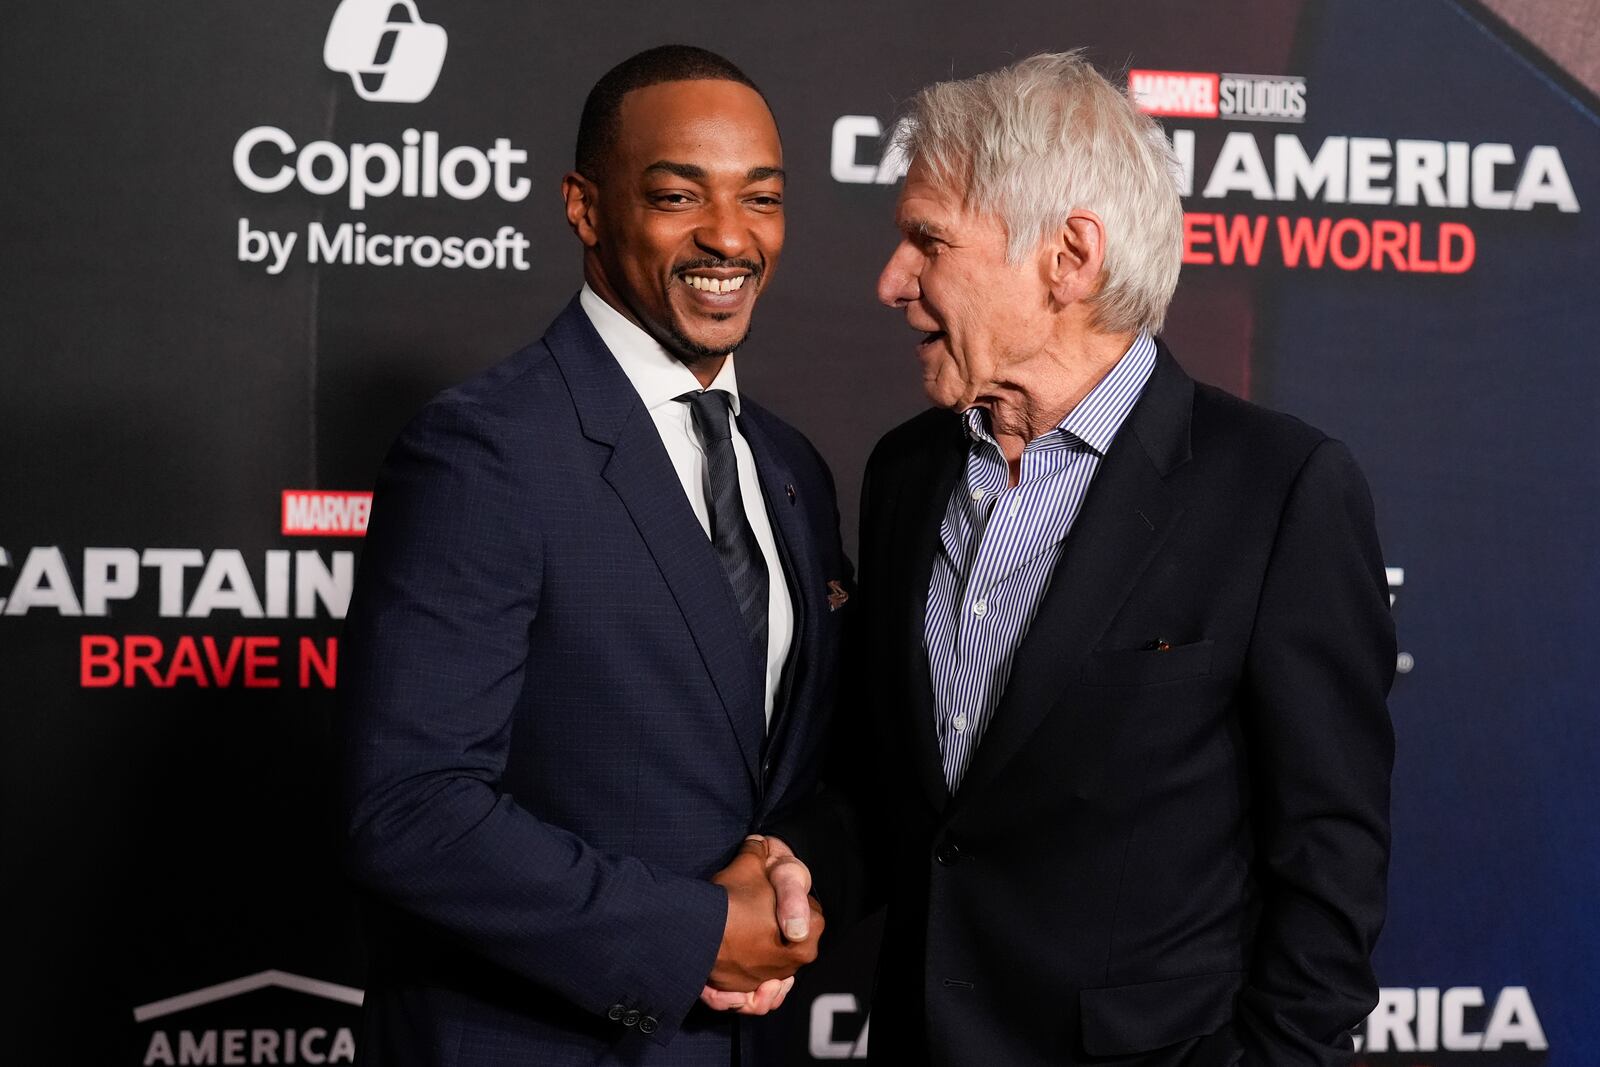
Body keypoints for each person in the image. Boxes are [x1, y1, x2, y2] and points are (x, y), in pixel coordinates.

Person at [774, 52, 1395, 1066]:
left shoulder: (1279, 490)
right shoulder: (904, 469)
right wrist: (796, 866)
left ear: (1069, 256)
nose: (892, 281)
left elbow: (1329, 863)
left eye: (925, 240)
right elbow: (903, 795)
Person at [339, 45, 849, 1066]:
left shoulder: (790, 465)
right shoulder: (485, 450)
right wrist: (692, 934)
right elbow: (408, 807)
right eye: (676, 195)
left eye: (761, 198)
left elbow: (776, 774)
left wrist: (786, 877)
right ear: (584, 207)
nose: (727, 236)